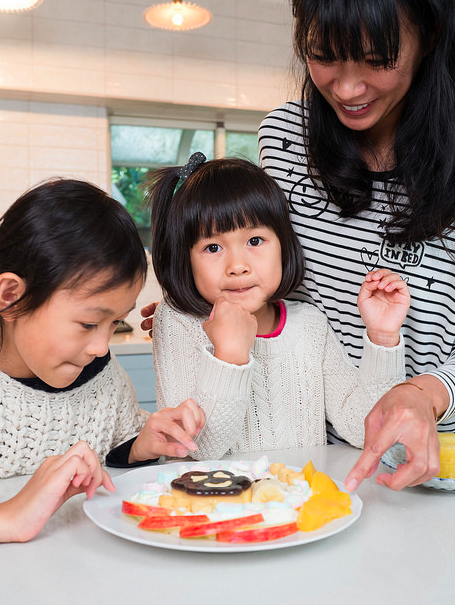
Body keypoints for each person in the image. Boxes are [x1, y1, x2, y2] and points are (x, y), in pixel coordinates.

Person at [256, 0, 455, 491]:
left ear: (430, 38)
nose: (348, 87)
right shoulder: (285, 140)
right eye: (324, 55)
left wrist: (423, 394)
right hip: (301, 458)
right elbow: (280, 298)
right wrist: (203, 299)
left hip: (423, 471)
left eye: (377, 60)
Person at [0, 178, 204, 545]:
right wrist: (10, 516)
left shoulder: (105, 378)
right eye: (88, 323)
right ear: (11, 297)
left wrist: (140, 446)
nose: (101, 346)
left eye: (113, 323)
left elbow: (116, 452)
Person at [145, 154, 409, 460]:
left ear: (284, 243)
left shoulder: (309, 323)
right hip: (218, 506)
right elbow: (194, 451)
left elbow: (365, 429)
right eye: (213, 247)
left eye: (255, 241)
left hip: (300, 503)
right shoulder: (178, 323)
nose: (238, 266)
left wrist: (383, 337)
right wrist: (230, 356)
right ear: (185, 258)